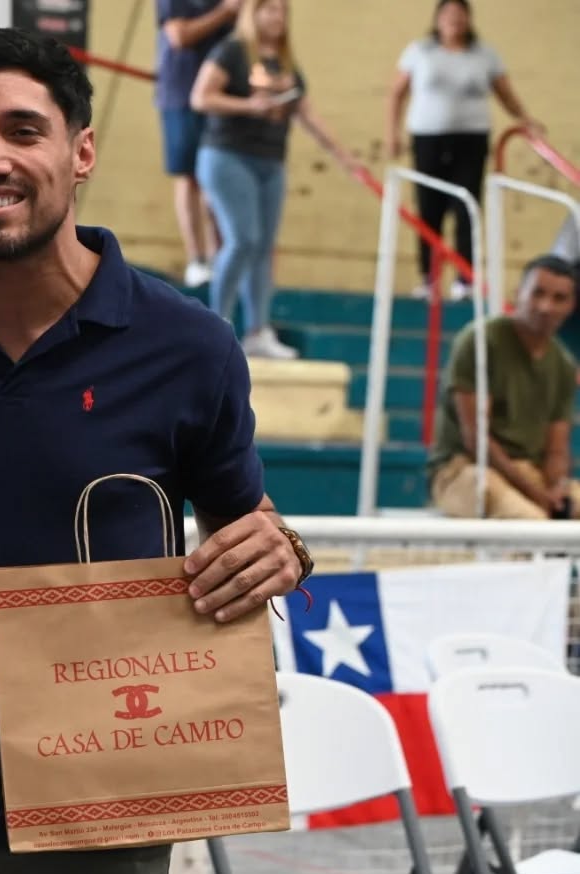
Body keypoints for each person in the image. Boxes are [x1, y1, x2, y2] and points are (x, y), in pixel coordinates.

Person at [0, 27, 311, 874]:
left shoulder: (188, 346)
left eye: (23, 129)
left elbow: (248, 529)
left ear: (81, 150)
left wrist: (284, 551)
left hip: (101, 816)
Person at [190, 0, 360, 360]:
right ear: (253, 14)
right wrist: (247, 106)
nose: (276, 17)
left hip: (271, 162)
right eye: (268, 9)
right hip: (227, 155)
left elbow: (308, 114)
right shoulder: (232, 51)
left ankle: (258, 331)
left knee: (264, 247)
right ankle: (216, 325)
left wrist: (343, 156)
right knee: (243, 239)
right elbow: (201, 97)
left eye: (282, 11)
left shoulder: (287, 63)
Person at [386, 0, 543, 301]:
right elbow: (396, 94)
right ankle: (429, 279)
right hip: (428, 139)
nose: (454, 20)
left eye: (460, 15)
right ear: (437, 20)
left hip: (471, 140)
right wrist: (392, 134)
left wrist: (525, 119)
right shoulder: (419, 51)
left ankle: (465, 279)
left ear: (469, 20)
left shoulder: (485, 54)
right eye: (447, 15)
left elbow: (505, 93)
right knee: (429, 209)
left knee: (467, 207)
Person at [428, 255, 580, 520]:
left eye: (559, 298)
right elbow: (476, 439)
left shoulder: (563, 364)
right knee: (529, 520)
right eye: (537, 293)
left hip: (527, 471)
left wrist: (557, 487)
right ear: (518, 294)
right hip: (464, 470)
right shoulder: (480, 342)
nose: (546, 306)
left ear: (571, 306)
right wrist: (536, 494)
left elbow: (556, 448)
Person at [154, 0, 239, 287]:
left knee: (220, 176)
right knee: (190, 175)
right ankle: (197, 259)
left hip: (225, 94)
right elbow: (179, 36)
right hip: (182, 93)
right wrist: (225, 12)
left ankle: (221, 258)